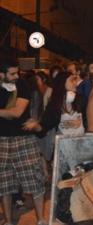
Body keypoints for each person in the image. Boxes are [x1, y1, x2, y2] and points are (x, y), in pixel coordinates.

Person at [0, 60, 47, 225]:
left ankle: (41, 219)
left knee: (34, 180)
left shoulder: (22, 84)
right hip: (2, 141)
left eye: (17, 72)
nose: (16, 76)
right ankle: (7, 220)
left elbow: (17, 113)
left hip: (23, 139)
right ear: (1, 74)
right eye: (12, 73)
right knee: (3, 183)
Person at [23, 72, 85, 158]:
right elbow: (44, 128)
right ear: (62, 83)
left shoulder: (80, 100)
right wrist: (35, 126)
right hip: (63, 151)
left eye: (75, 80)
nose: (75, 83)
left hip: (81, 147)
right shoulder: (55, 105)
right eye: (72, 80)